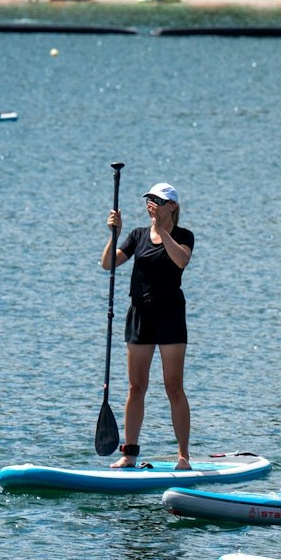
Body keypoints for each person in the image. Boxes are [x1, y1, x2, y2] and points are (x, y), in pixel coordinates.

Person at [101, 182, 194, 470]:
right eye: (149, 199)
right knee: (135, 386)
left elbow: (180, 261)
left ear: (172, 207)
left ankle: (183, 457)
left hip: (170, 315)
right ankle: (129, 453)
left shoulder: (183, 235)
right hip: (140, 313)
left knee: (173, 387)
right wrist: (113, 235)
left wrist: (162, 231)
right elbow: (108, 264)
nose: (151, 204)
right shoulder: (137, 236)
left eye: (158, 200)